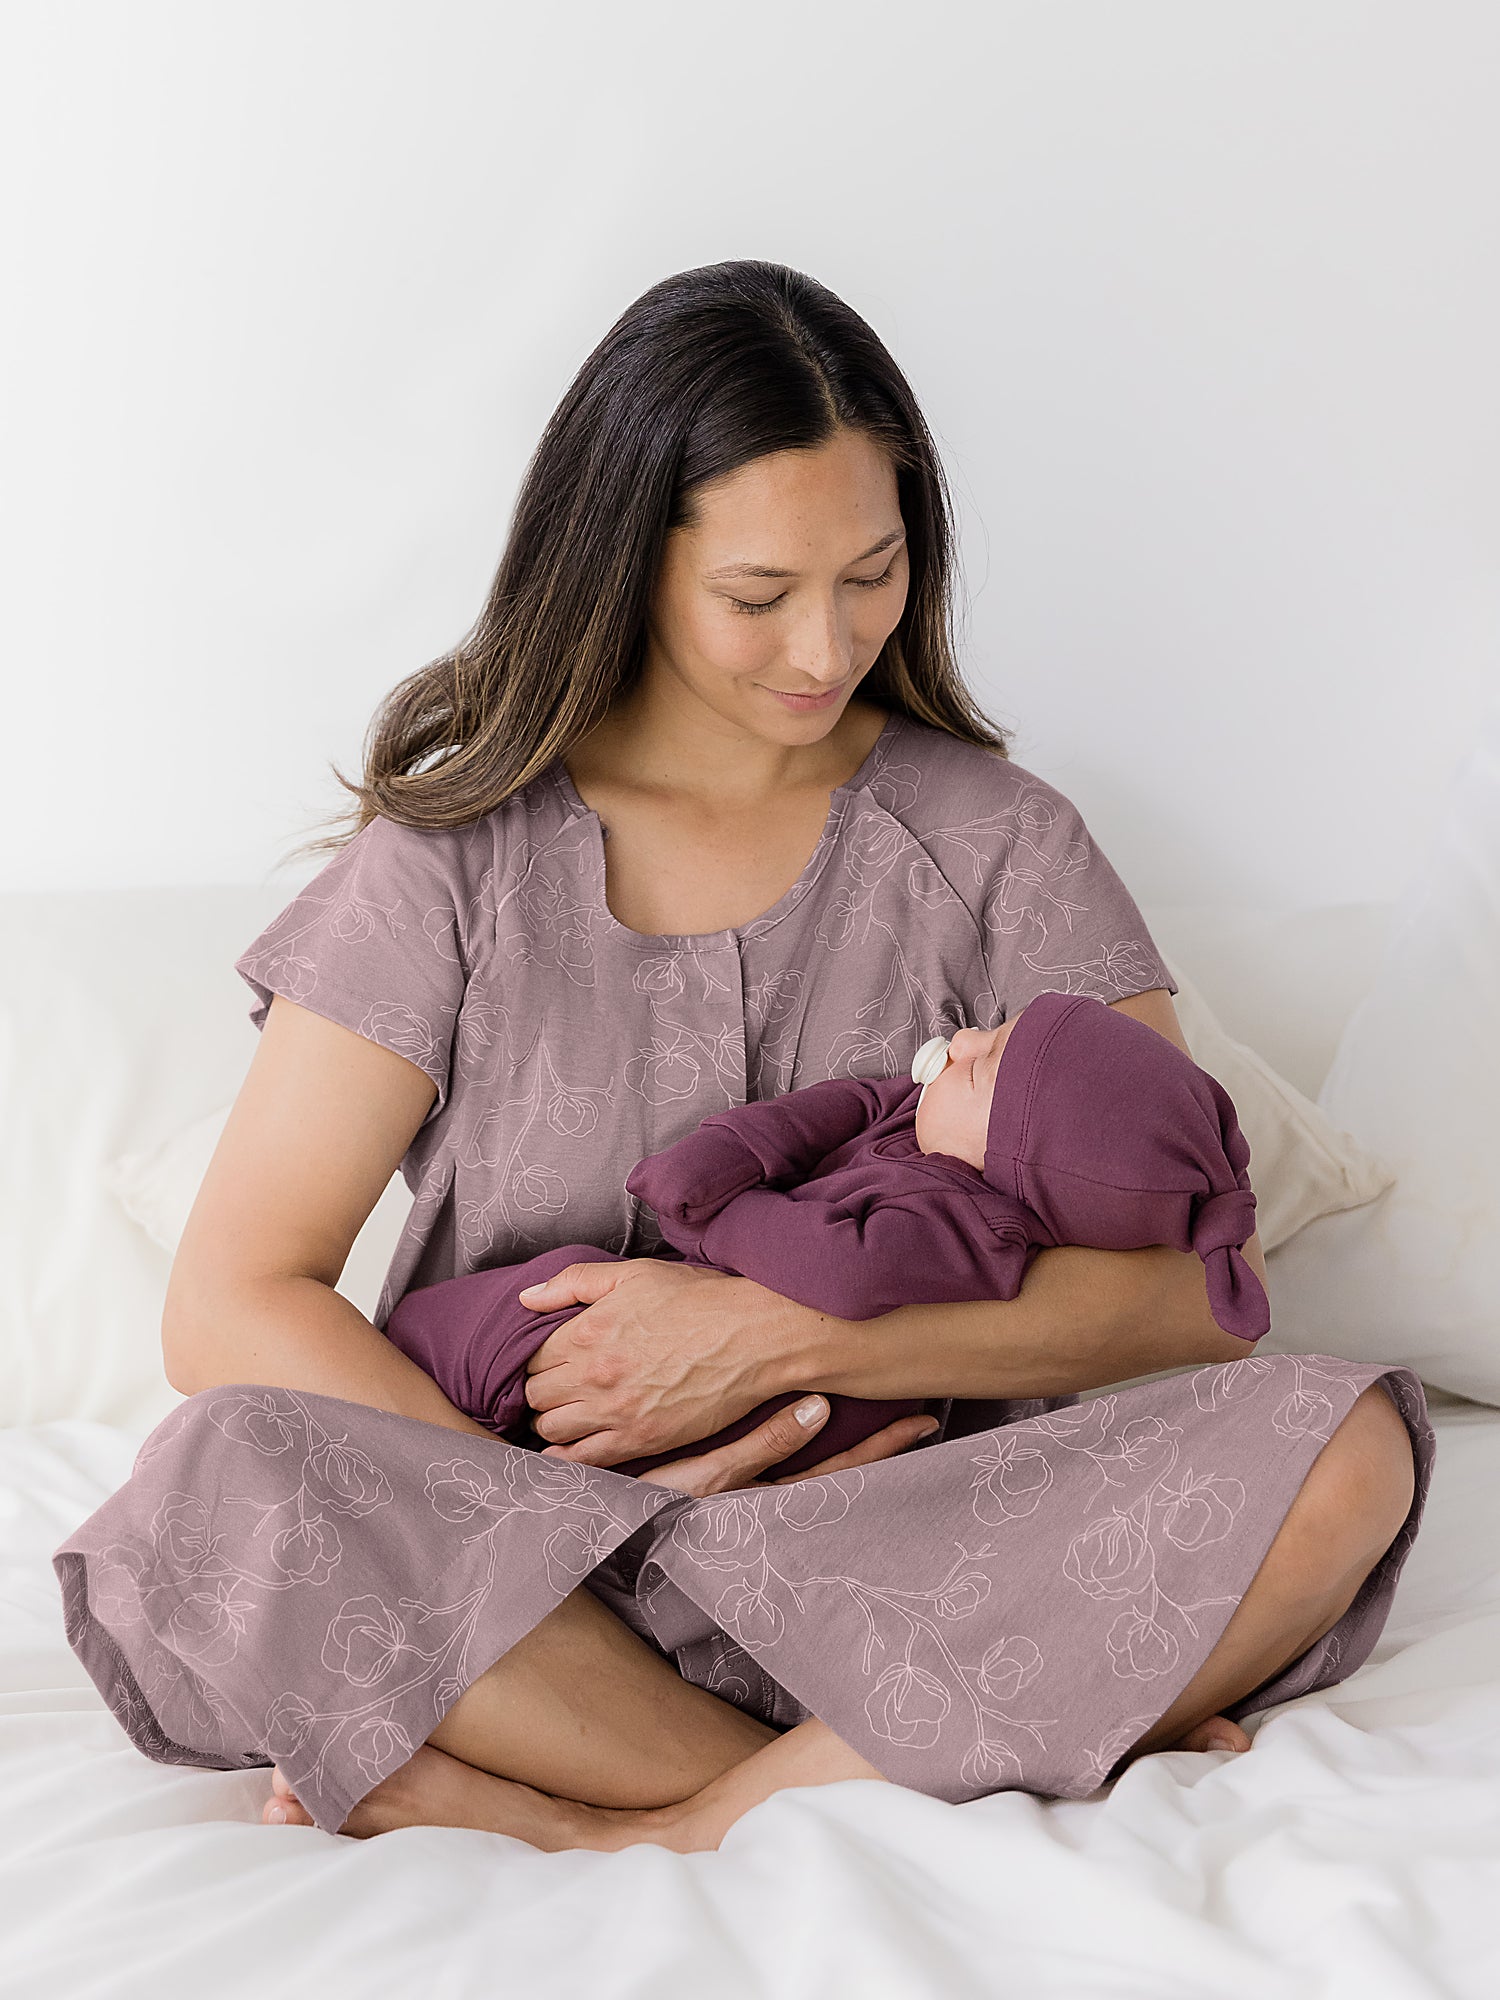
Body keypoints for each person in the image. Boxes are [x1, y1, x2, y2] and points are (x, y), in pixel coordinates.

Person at [52, 260, 1432, 1852]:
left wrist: (778, 1342)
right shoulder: (453, 864)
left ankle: (654, 1824)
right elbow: (233, 1296)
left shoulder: (1001, 845)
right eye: (760, 595)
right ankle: (916, 1752)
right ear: (624, 566)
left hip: (914, 1547)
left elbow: (1197, 1292)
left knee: (1352, 1446)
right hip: (519, 1574)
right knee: (217, 1481)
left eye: (875, 571)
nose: (829, 643)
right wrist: (575, 1516)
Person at [380, 989, 1272, 1478]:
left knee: (540, 1292)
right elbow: (844, 1105)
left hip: (783, 1424)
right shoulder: (928, 1129)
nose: (959, 1042)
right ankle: (451, 1428)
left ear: (1025, 1158)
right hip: (682, 1377)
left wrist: (712, 1214)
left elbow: (838, 1275)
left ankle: (433, 1381)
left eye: (988, 1061)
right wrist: (730, 1148)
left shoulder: (962, 1223)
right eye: (990, 1029)